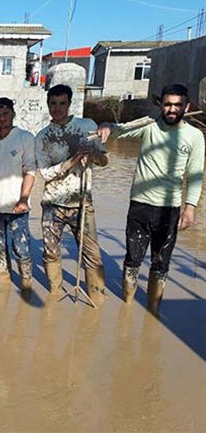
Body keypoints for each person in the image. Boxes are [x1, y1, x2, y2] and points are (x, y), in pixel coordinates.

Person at [96, 84, 204, 315]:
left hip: (170, 209)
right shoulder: (148, 127)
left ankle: (154, 312)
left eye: (177, 105)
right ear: (160, 105)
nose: (172, 109)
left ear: (187, 106)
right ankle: (126, 307)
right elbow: (119, 130)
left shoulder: (195, 136)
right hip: (140, 206)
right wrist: (106, 126)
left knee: (160, 263)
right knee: (132, 259)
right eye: (167, 104)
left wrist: (190, 208)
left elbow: (195, 175)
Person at [35, 84, 108, 305]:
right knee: (51, 252)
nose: (57, 108)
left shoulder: (87, 127)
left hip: (82, 201)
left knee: (93, 255)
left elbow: (104, 161)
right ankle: (55, 294)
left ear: (69, 104)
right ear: (48, 105)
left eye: (62, 103)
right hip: (52, 203)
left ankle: (97, 298)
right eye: (53, 104)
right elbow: (46, 174)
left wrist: (93, 153)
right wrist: (72, 160)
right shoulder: (43, 136)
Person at [0, 97, 37, 291]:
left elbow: (30, 169)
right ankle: (3, 286)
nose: (2, 118)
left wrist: (24, 198)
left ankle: (27, 286)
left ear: (13, 114)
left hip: (17, 206)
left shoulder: (25, 138)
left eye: (6, 114)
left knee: (21, 248)